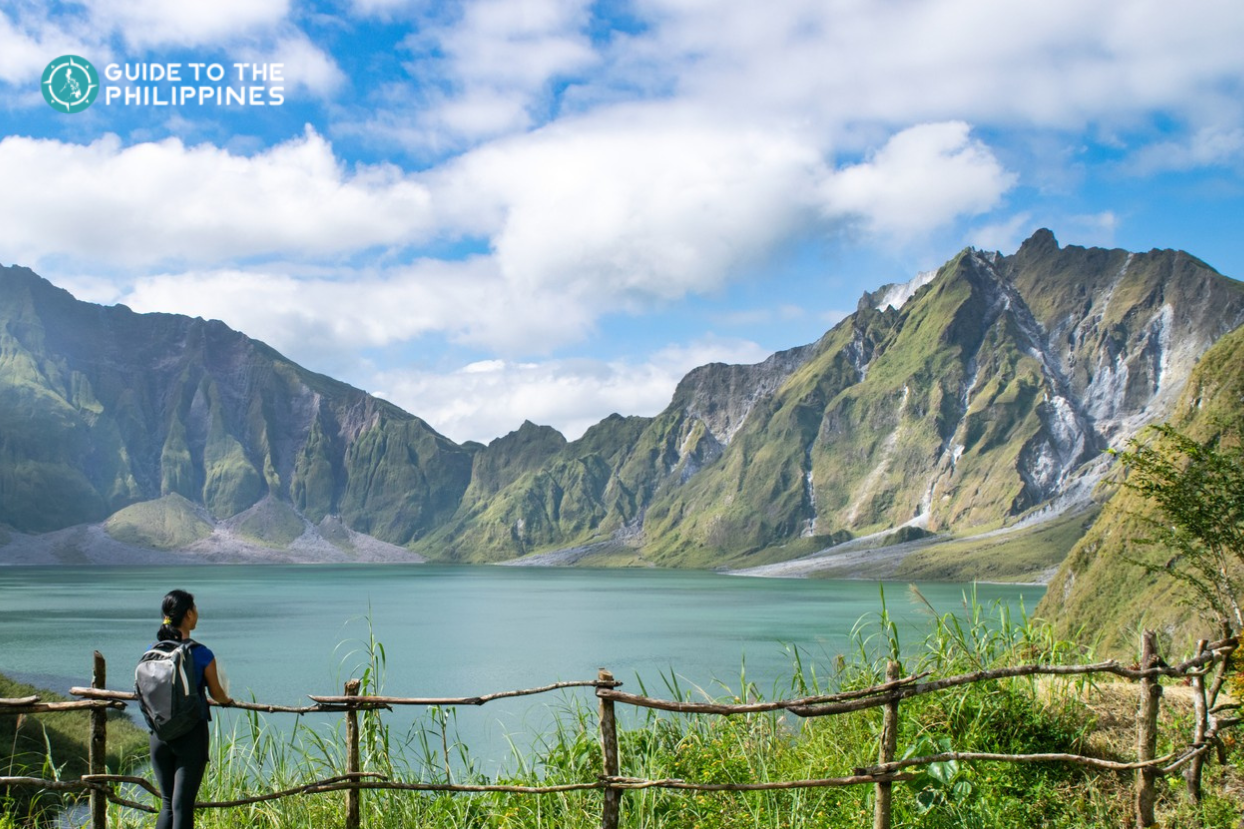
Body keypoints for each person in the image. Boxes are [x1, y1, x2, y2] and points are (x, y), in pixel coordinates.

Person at [148, 589, 234, 829]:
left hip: (158, 734)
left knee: (167, 804)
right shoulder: (200, 653)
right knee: (183, 806)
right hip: (190, 736)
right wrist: (226, 700)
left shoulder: (153, 650)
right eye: (195, 610)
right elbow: (217, 694)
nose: (197, 614)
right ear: (188, 614)